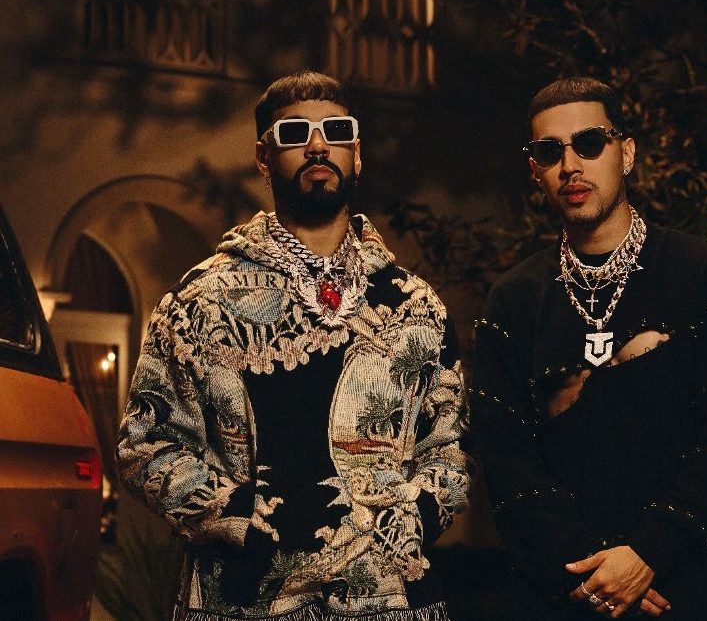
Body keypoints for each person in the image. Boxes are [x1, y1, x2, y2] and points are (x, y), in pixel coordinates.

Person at [117, 71, 472, 621]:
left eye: (336, 130)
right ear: (264, 157)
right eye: (294, 133)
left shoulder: (416, 306)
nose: (317, 145)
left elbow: (450, 447)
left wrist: (408, 522)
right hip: (242, 599)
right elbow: (146, 442)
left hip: (388, 600)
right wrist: (236, 514)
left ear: (357, 153)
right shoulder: (201, 299)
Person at [471, 77, 707, 619]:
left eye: (589, 143)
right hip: (562, 597)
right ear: (535, 170)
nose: (571, 166)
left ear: (626, 153)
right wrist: (588, 570)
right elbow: (507, 464)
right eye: (549, 151)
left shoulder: (706, 275)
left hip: (686, 594)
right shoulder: (512, 301)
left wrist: (648, 554)